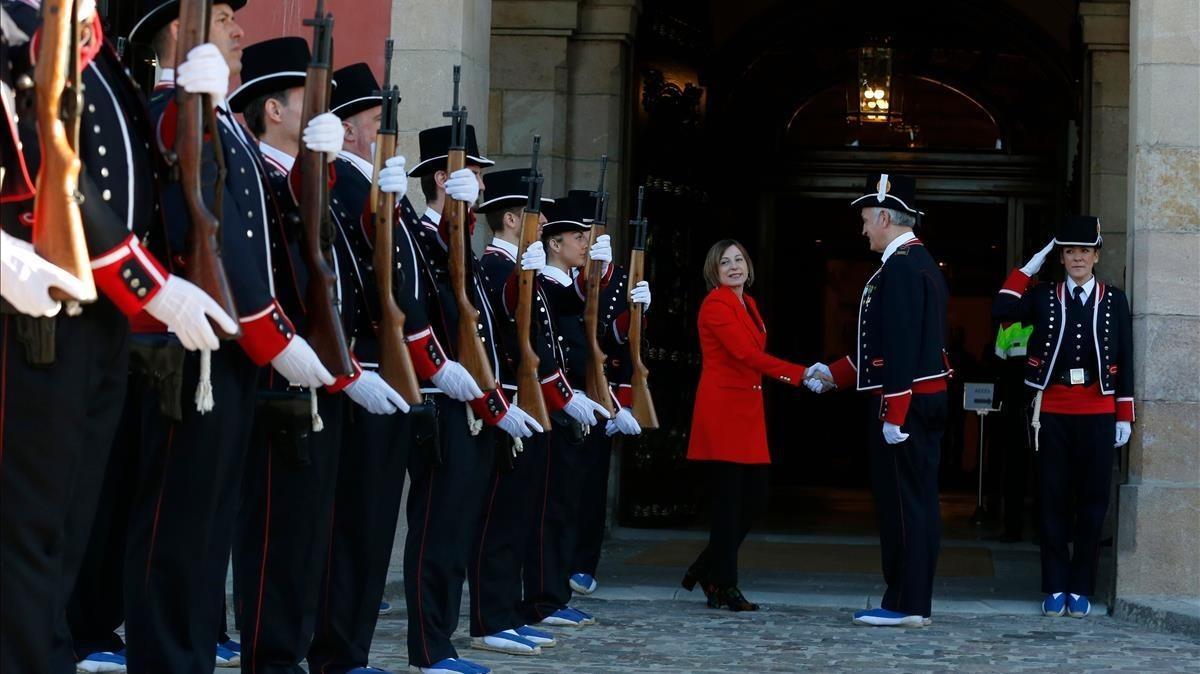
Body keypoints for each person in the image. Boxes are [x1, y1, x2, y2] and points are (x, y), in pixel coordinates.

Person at [2, 3, 237, 672]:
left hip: (97, 317)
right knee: (28, 535)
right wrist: (150, 286)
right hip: (38, 312)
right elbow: (50, 167)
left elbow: (139, 182)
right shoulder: (18, 27)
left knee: (66, 532)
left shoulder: (93, 48)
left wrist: (202, 112)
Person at [123, 5, 338, 672]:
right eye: (220, 17)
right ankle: (167, 660)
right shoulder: (170, 109)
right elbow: (216, 232)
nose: (238, 30)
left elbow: (272, 232)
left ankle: (187, 657)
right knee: (179, 527)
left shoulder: (220, 122)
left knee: (208, 525)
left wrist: (314, 162)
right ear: (180, 32)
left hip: (228, 351)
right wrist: (272, 336)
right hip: (190, 350)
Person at [402, 123, 543, 674]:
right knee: (437, 530)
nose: (481, 187)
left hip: (475, 407)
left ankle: (443, 641)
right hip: (442, 403)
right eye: (473, 175)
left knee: (456, 532)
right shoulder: (423, 236)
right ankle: (430, 648)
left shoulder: (465, 248)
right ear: (444, 179)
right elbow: (419, 308)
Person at [810, 173, 951, 628]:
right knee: (914, 502)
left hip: (906, 405)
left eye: (867, 219)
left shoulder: (904, 266)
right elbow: (883, 344)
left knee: (904, 506)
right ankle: (910, 599)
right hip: (913, 398)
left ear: (886, 216)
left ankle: (906, 603)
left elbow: (903, 344)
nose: (864, 229)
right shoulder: (912, 262)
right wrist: (835, 373)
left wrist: (895, 411)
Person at [992, 215, 1133, 619]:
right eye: (1069, 251)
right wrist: (1033, 261)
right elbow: (1001, 307)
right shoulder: (1042, 296)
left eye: (1084, 251)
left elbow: (1125, 357)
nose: (1077, 258)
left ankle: (1080, 586)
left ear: (1097, 255)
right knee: (1052, 501)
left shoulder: (1114, 299)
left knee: (1092, 503)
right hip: (1051, 412)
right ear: (1061, 256)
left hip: (1099, 412)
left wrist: (1124, 412)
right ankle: (1054, 584)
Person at [683, 239, 814, 612]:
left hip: (746, 411)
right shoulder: (717, 304)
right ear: (715, 270)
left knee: (754, 499)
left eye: (739, 259)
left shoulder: (748, 303)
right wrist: (801, 375)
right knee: (729, 504)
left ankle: (705, 568)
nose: (734, 267)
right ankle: (723, 585)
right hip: (724, 412)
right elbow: (746, 355)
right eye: (726, 262)